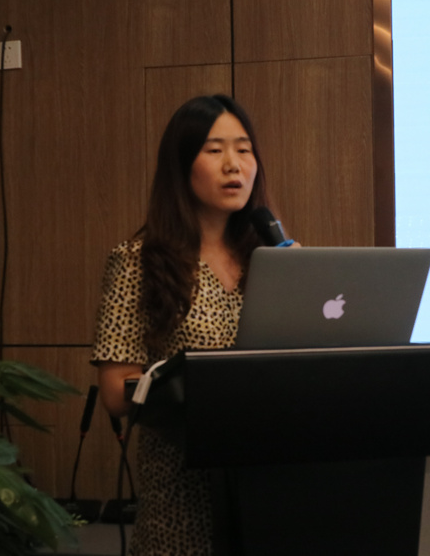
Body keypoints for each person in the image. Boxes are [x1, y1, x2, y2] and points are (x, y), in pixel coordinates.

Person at [92, 94, 285, 555]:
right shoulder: (139, 261)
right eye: (215, 150)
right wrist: (202, 383)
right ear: (181, 167)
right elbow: (116, 392)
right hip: (183, 499)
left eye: (244, 149)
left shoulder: (272, 260)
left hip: (270, 490)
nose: (234, 164)